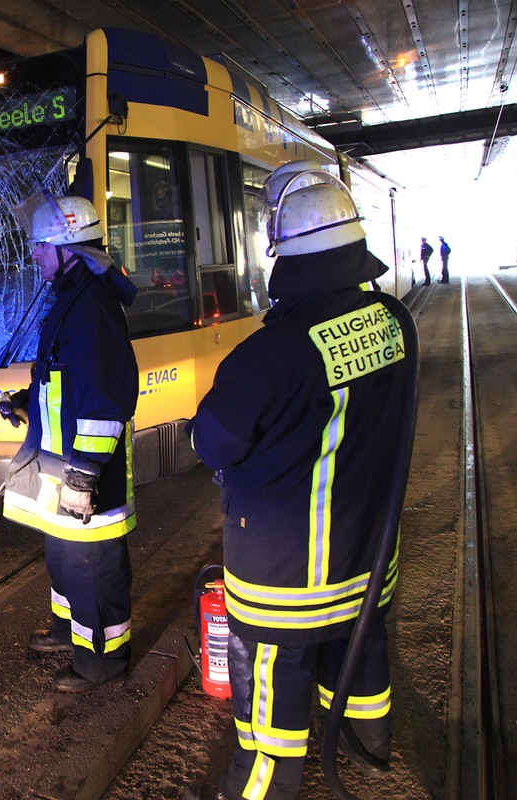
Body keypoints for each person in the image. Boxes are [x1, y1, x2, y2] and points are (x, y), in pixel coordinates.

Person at [182, 161, 417, 800]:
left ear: (285, 257)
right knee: (359, 650)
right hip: (368, 557)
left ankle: (257, 787)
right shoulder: (393, 322)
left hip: (288, 576)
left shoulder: (271, 351)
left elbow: (215, 440)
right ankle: (368, 746)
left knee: (270, 684)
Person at [0, 192, 139, 693]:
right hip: (59, 474)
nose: (33, 255)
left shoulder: (93, 307)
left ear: (68, 247)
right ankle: (68, 632)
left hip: (83, 479)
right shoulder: (72, 299)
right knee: (64, 563)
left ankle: (102, 662)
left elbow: (106, 401)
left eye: (40, 245)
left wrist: (83, 478)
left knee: (93, 572)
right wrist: (24, 398)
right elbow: (62, 376)